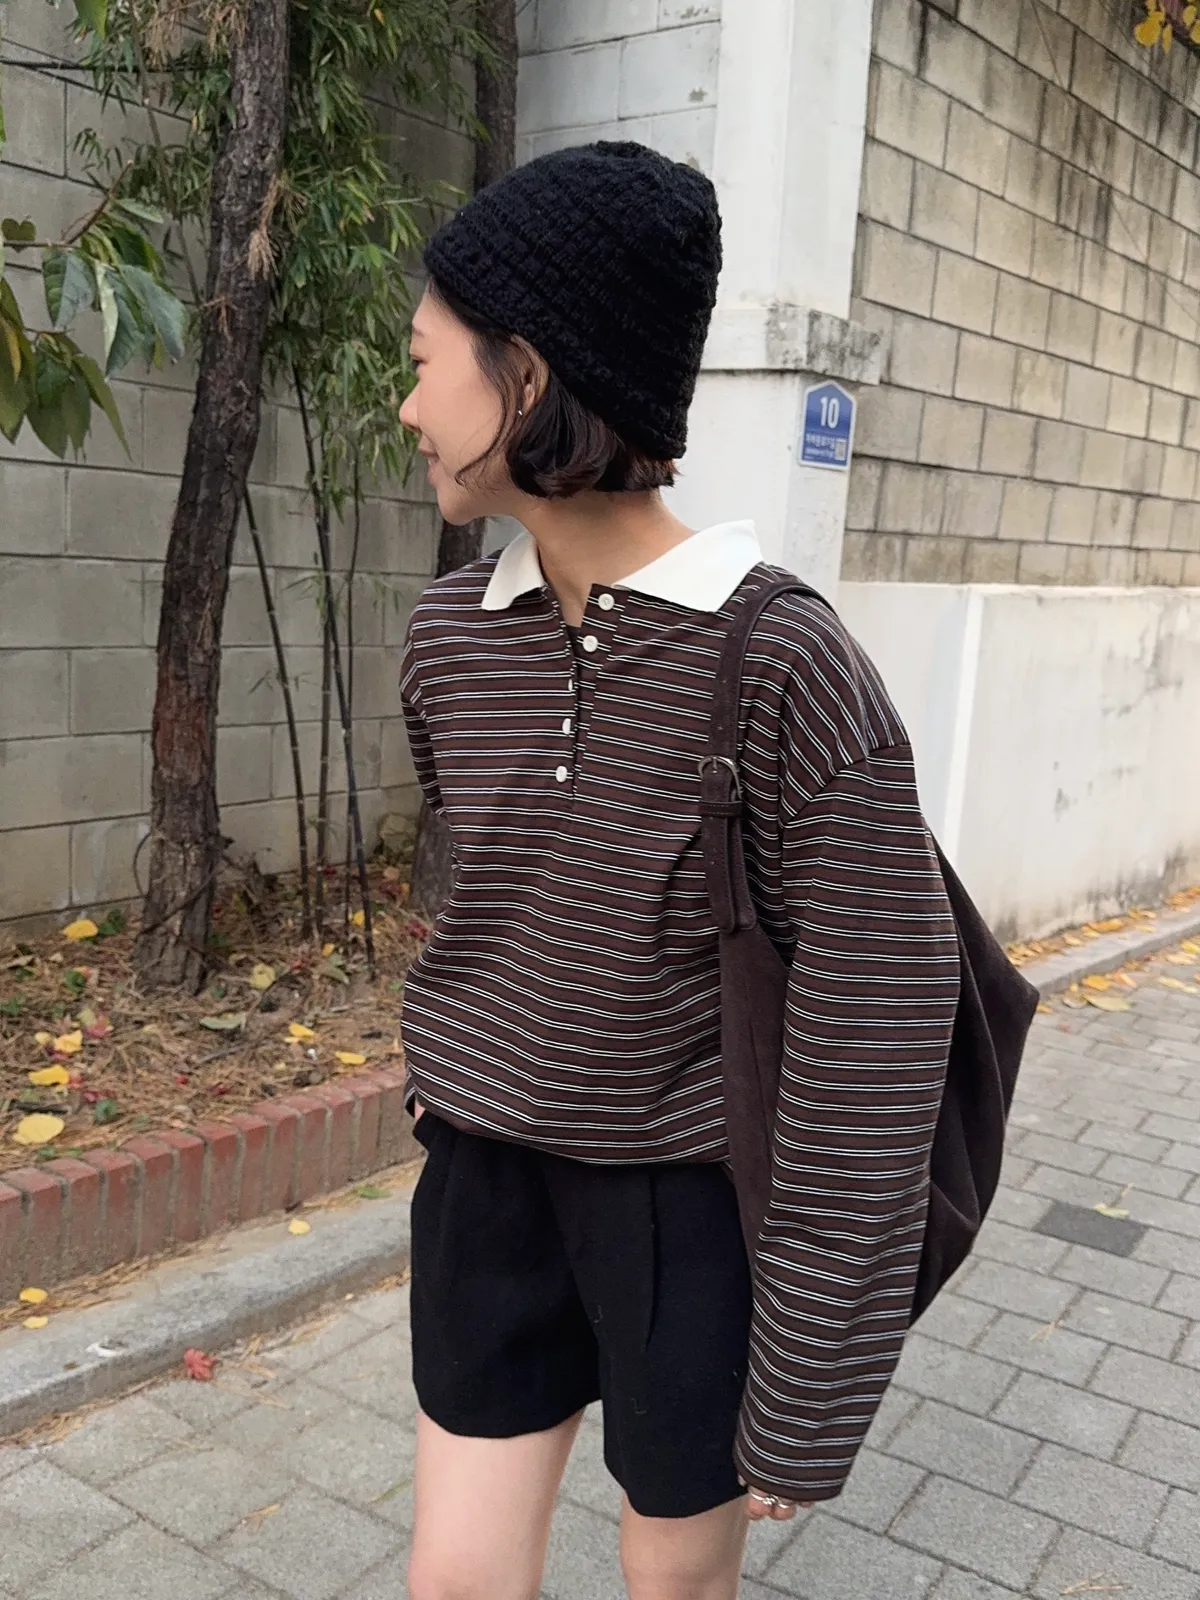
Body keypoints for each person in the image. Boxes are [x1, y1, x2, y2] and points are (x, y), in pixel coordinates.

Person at [397, 141, 959, 1600]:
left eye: (425, 363)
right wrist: (445, 1077)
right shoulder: (448, 641)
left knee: (676, 1585)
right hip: (486, 1179)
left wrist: (812, 1372)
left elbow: (876, 1027)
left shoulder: (784, 663)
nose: (406, 406)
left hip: (683, 1211)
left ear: (527, 377)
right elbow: (479, 902)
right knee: (454, 1581)